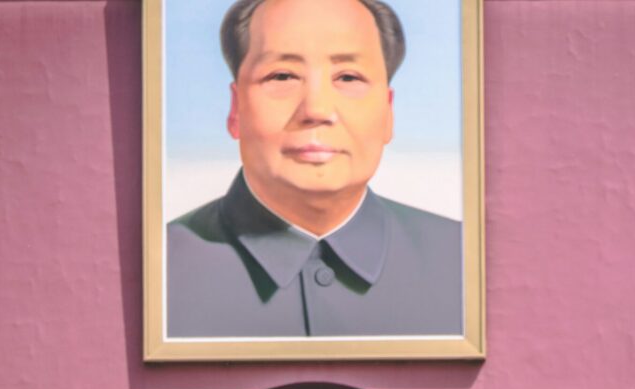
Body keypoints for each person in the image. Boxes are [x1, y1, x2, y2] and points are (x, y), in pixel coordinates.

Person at [166, 0, 462, 338]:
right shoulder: (153, 272)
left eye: (348, 77)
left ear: (388, 112)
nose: (316, 109)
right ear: (236, 110)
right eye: (282, 76)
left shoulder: (468, 263)